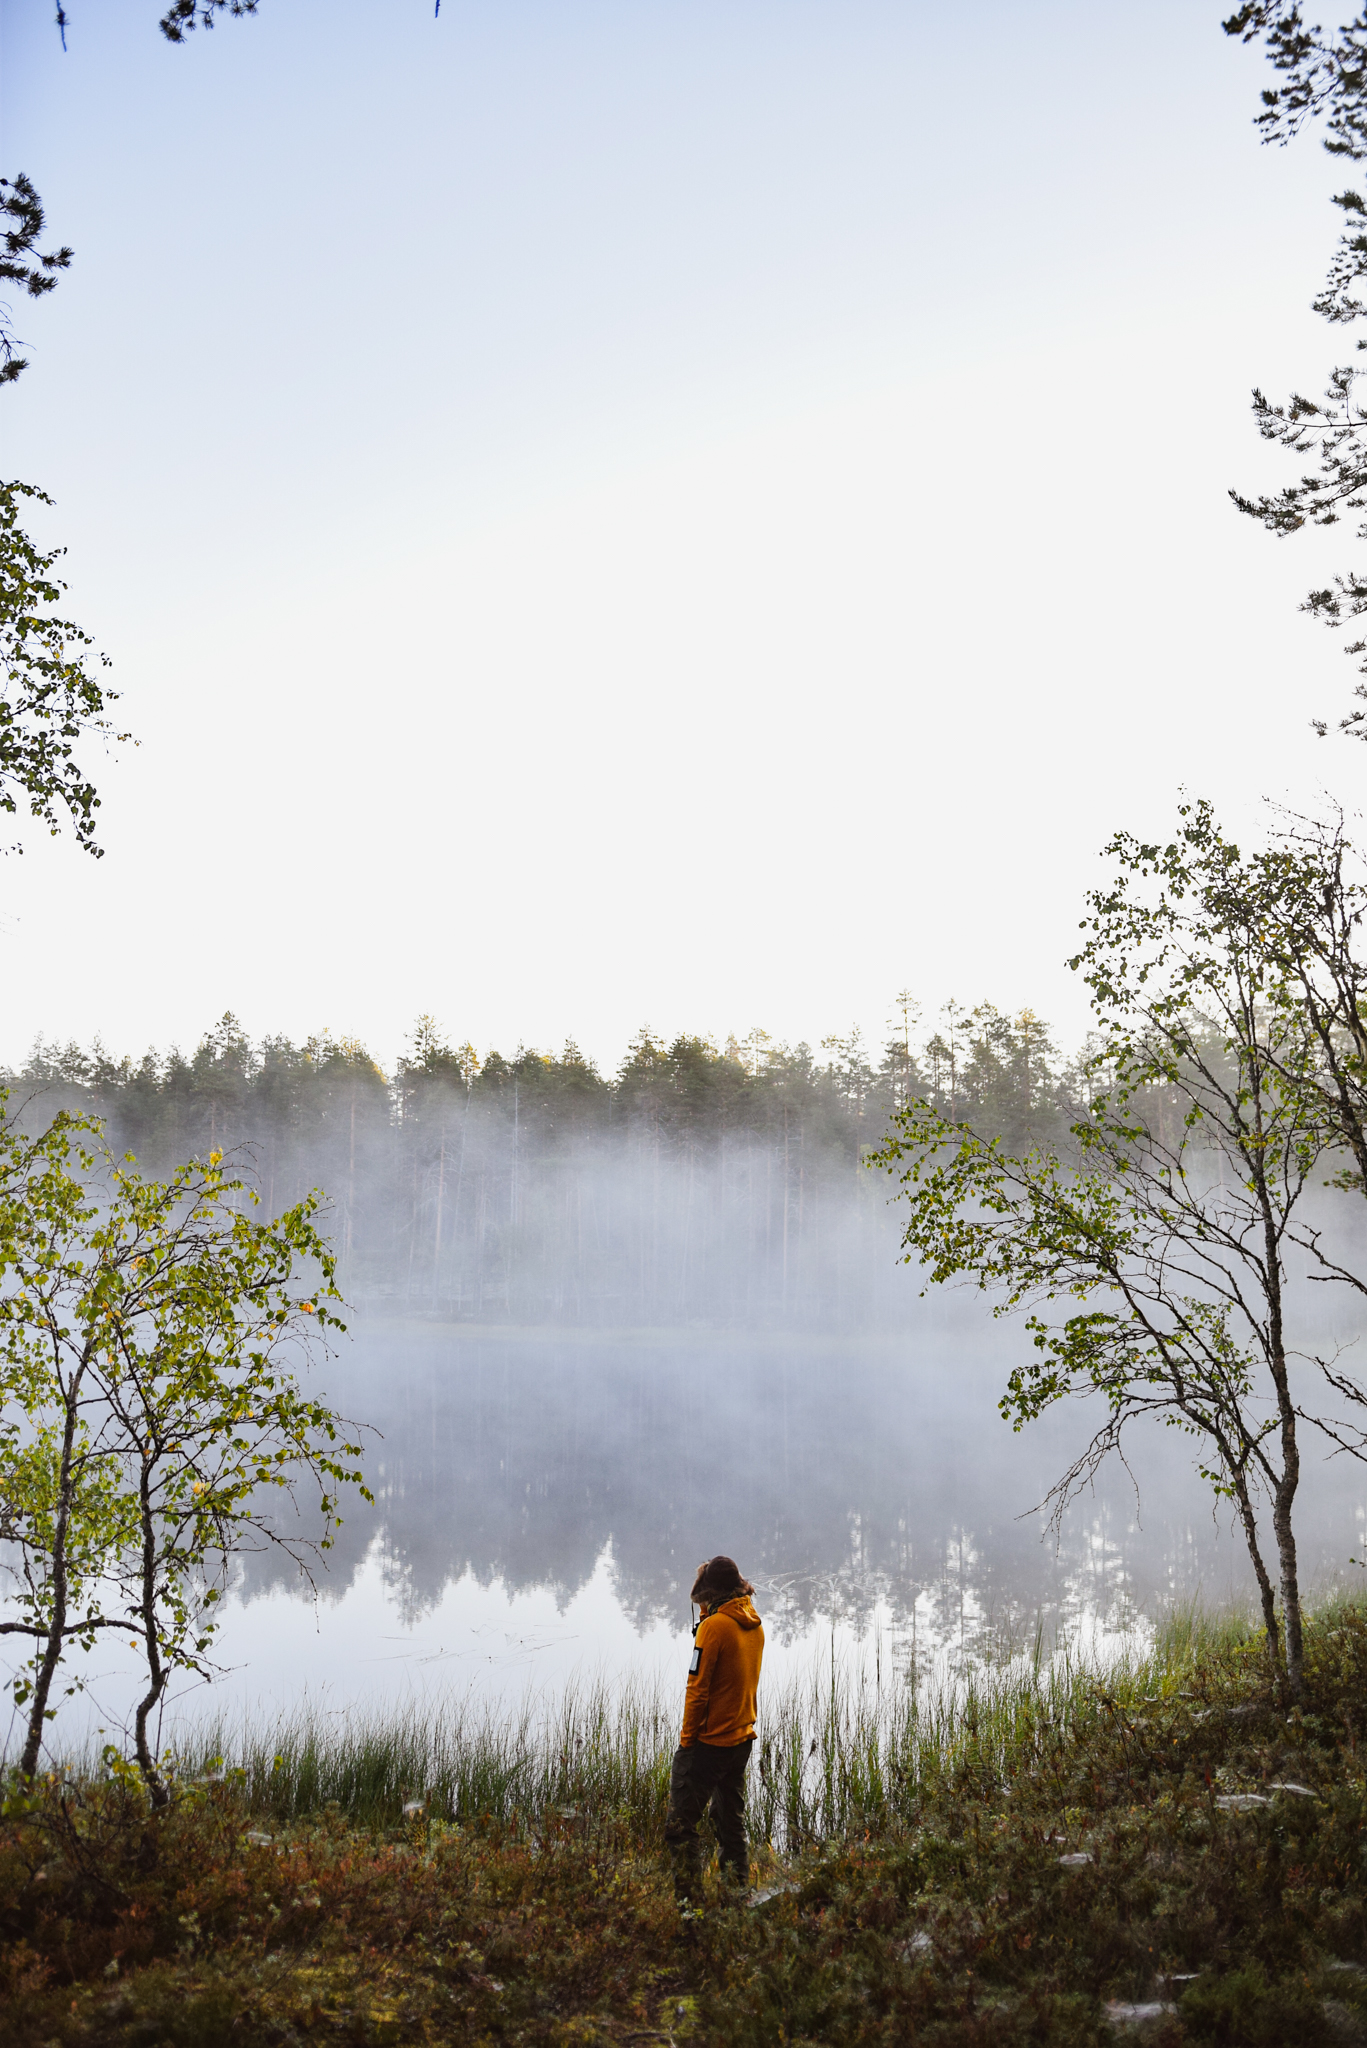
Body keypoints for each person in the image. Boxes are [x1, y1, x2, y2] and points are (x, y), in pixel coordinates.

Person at [664, 1553, 764, 1902]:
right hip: (741, 1740)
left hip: (709, 1744)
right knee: (730, 1825)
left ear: (711, 1592)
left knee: (680, 1828)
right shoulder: (753, 1622)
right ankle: (737, 1896)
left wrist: (687, 1743)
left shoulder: (714, 1628)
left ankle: (690, 1909)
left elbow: (698, 1688)